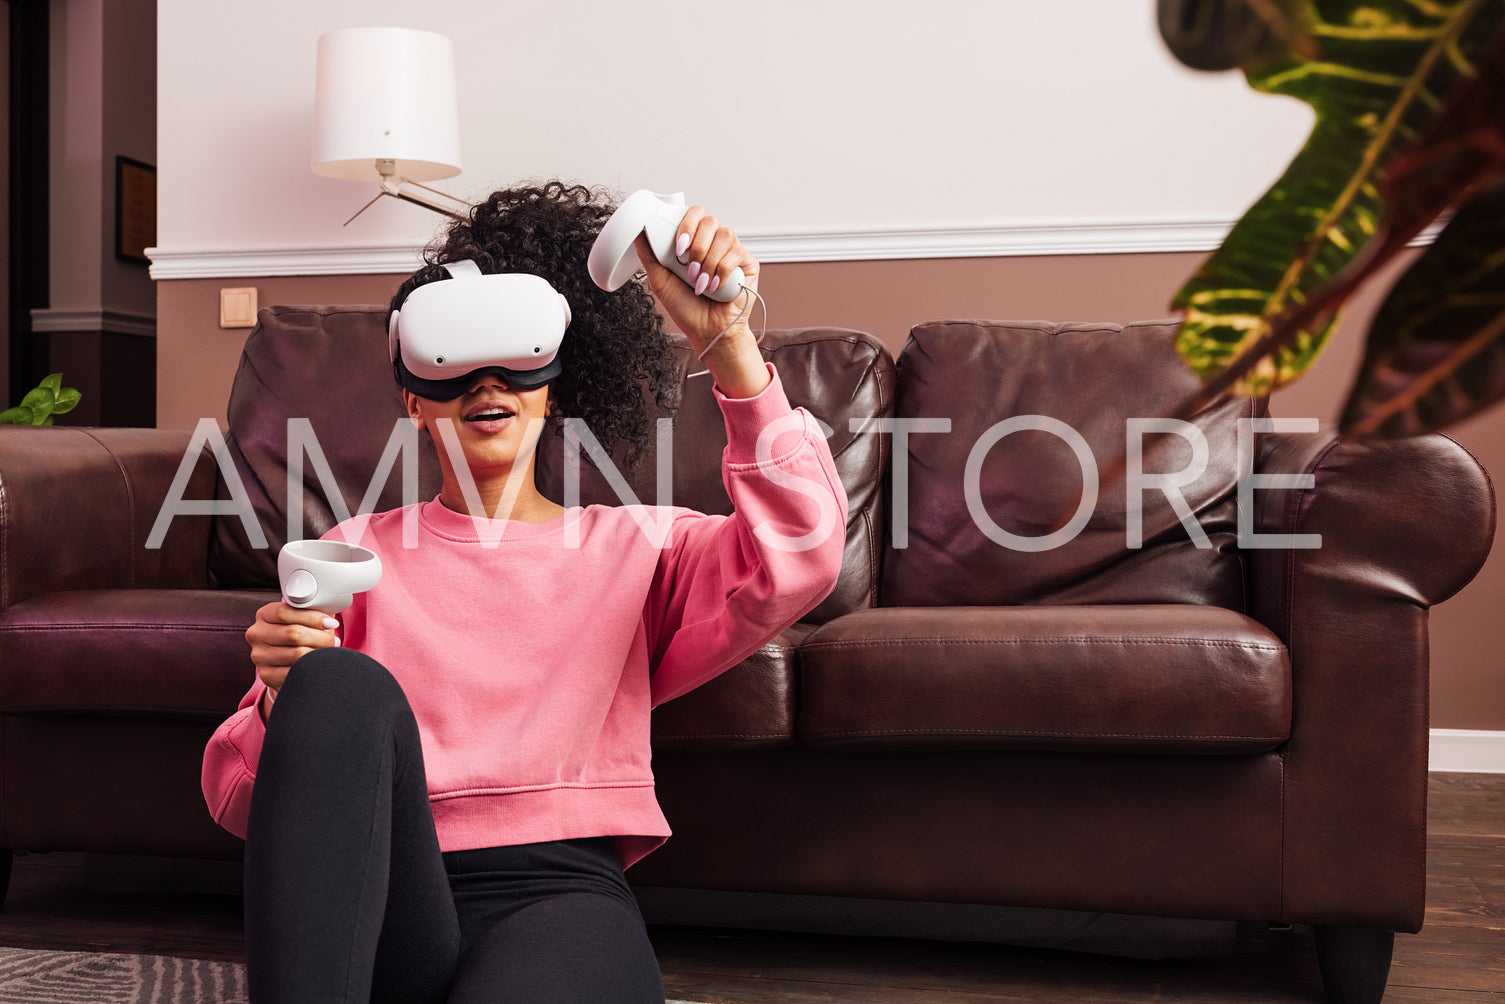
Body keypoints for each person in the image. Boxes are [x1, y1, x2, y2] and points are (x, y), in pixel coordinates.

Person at [200, 181, 849, 1003]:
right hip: (386, 888)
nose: (486, 383)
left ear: (552, 391)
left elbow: (804, 556)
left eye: (515, 364)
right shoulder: (350, 553)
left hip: (557, 892)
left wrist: (728, 345)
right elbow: (235, 799)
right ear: (414, 401)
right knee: (336, 682)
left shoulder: (640, 547)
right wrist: (275, 702)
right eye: (454, 369)